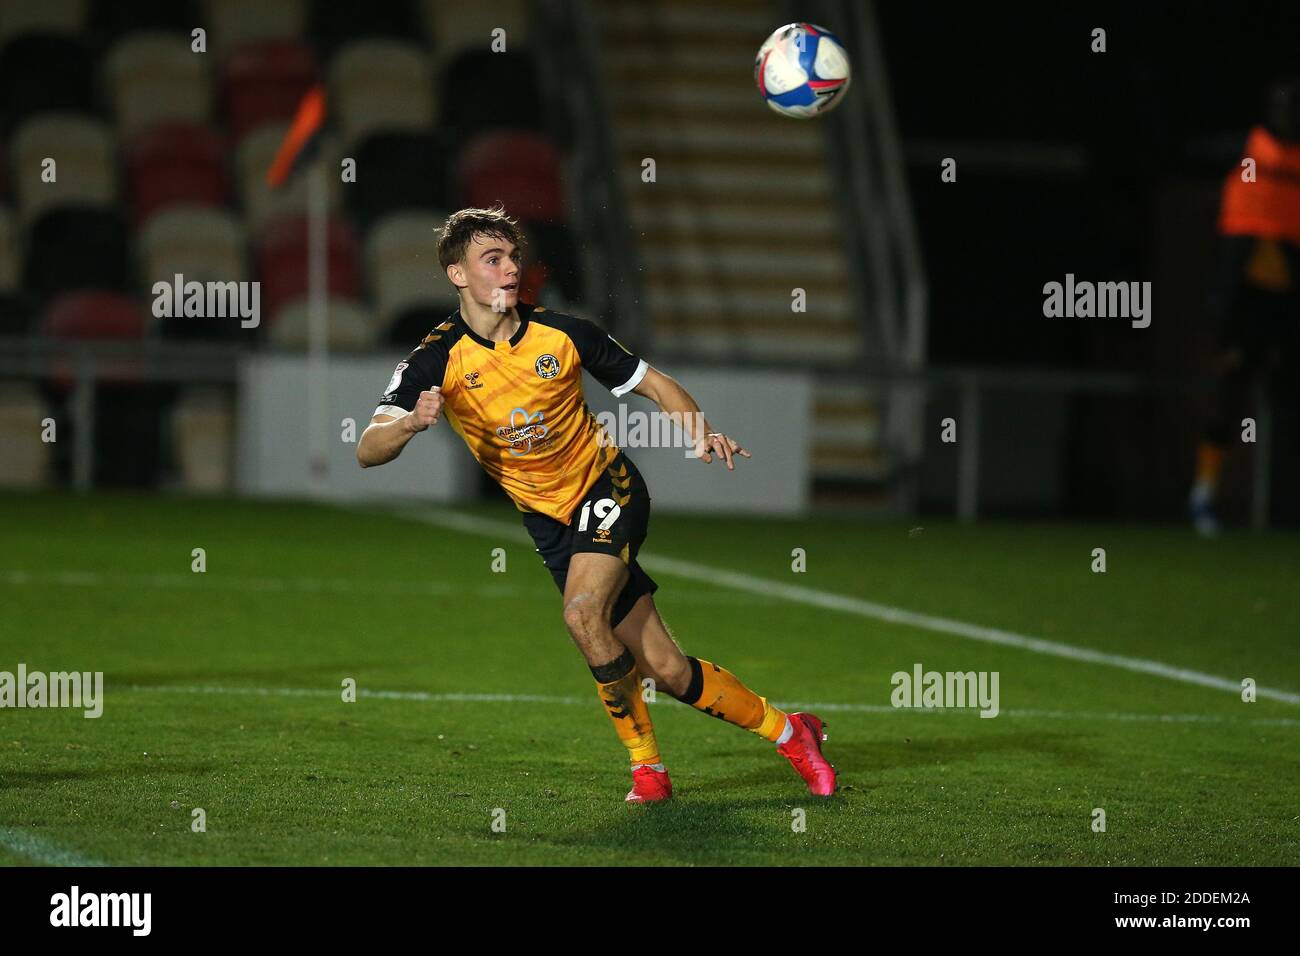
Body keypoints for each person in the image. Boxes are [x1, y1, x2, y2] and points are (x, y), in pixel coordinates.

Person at [357, 207, 837, 803]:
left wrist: (699, 429)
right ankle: (793, 732)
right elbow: (367, 450)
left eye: (513, 258)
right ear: (458, 275)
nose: (510, 270)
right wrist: (409, 425)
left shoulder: (563, 334)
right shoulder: (437, 357)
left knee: (582, 615)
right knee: (667, 668)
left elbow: (657, 383)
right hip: (550, 523)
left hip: (607, 488)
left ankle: (649, 772)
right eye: (493, 260)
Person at [1190, 78, 1300, 534]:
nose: (1286, 114)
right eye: (1279, 105)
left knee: (1287, 397)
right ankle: (1203, 495)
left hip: (1287, 300)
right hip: (1244, 299)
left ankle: (1282, 503)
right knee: (1230, 398)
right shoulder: (1247, 147)